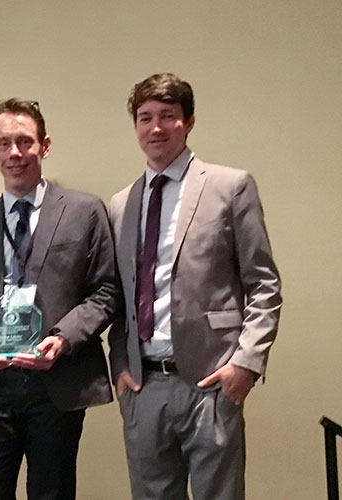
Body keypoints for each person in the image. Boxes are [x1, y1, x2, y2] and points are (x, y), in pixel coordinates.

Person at [108, 73, 282, 500]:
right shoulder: (120, 204)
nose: (156, 128)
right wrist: (119, 364)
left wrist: (246, 363)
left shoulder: (230, 186)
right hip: (143, 387)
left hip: (211, 382)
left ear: (189, 121)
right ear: (135, 127)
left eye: (168, 116)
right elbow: (118, 297)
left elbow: (264, 285)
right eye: (145, 117)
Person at [0, 98, 120, 500]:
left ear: (44, 146)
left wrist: (61, 339)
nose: (15, 153)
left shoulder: (85, 211)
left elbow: (106, 290)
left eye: (24, 142)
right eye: (4, 143)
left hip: (54, 385)